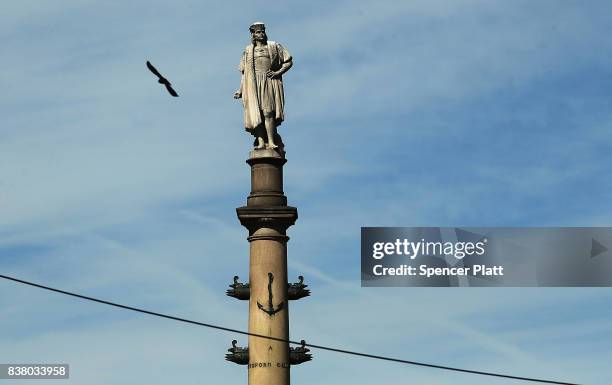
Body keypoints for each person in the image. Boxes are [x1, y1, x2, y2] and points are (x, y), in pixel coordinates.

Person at [234, 22, 293, 151]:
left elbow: (288, 61)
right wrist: (240, 90)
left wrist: (278, 72)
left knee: (268, 112)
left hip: (269, 82)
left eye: (262, 31)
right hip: (253, 84)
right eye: (258, 32)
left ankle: (271, 141)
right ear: (253, 35)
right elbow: (245, 73)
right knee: (256, 114)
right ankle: (261, 142)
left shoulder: (273, 46)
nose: (261, 34)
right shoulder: (248, 50)